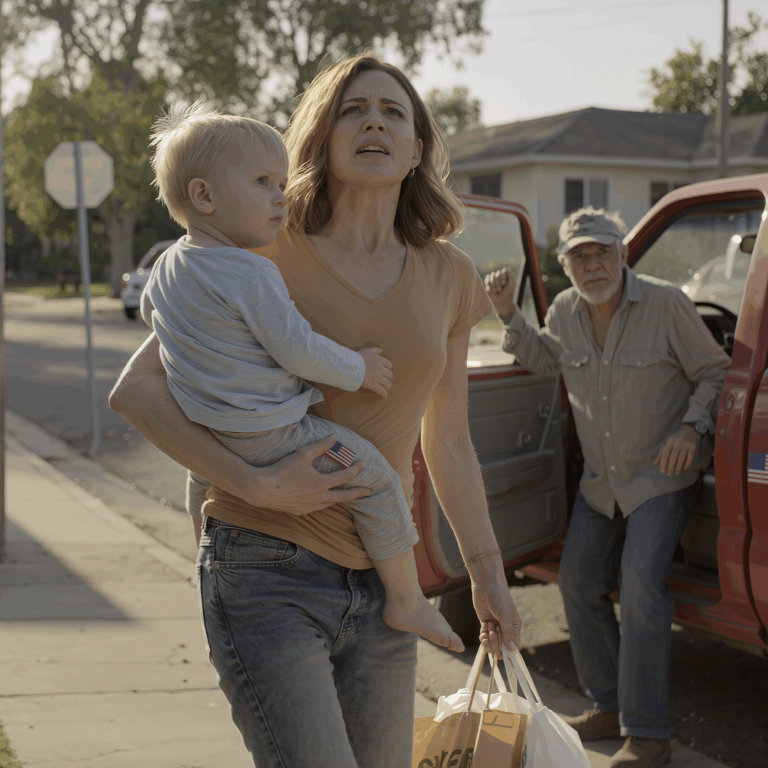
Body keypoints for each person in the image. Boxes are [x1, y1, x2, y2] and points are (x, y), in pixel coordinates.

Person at [110, 52, 522, 768]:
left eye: (393, 112)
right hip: (265, 564)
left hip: (386, 579)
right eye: (352, 109)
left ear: (417, 149)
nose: (373, 121)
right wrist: (254, 484)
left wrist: (488, 575)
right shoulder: (259, 247)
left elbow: (449, 440)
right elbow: (139, 391)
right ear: (322, 138)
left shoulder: (450, 274)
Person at [141, 101, 463, 652]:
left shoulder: (169, 266)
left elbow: (157, 321)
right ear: (204, 196)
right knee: (376, 476)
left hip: (214, 429)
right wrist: (358, 367)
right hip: (276, 434)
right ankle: (408, 600)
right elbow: (297, 348)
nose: (279, 197)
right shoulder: (251, 270)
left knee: (204, 488)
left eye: (281, 182)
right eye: (264, 182)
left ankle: (208, 574)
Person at [485, 207, 730, 768]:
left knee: (641, 588)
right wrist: (507, 314)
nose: (592, 263)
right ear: (564, 265)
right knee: (576, 583)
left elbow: (715, 372)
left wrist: (693, 428)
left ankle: (647, 736)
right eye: (579, 255)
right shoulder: (567, 310)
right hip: (602, 483)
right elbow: (548, 361)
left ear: (623, 253)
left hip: (660, 475)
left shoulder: (666, 303)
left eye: (602, 251)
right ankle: (606, 705)